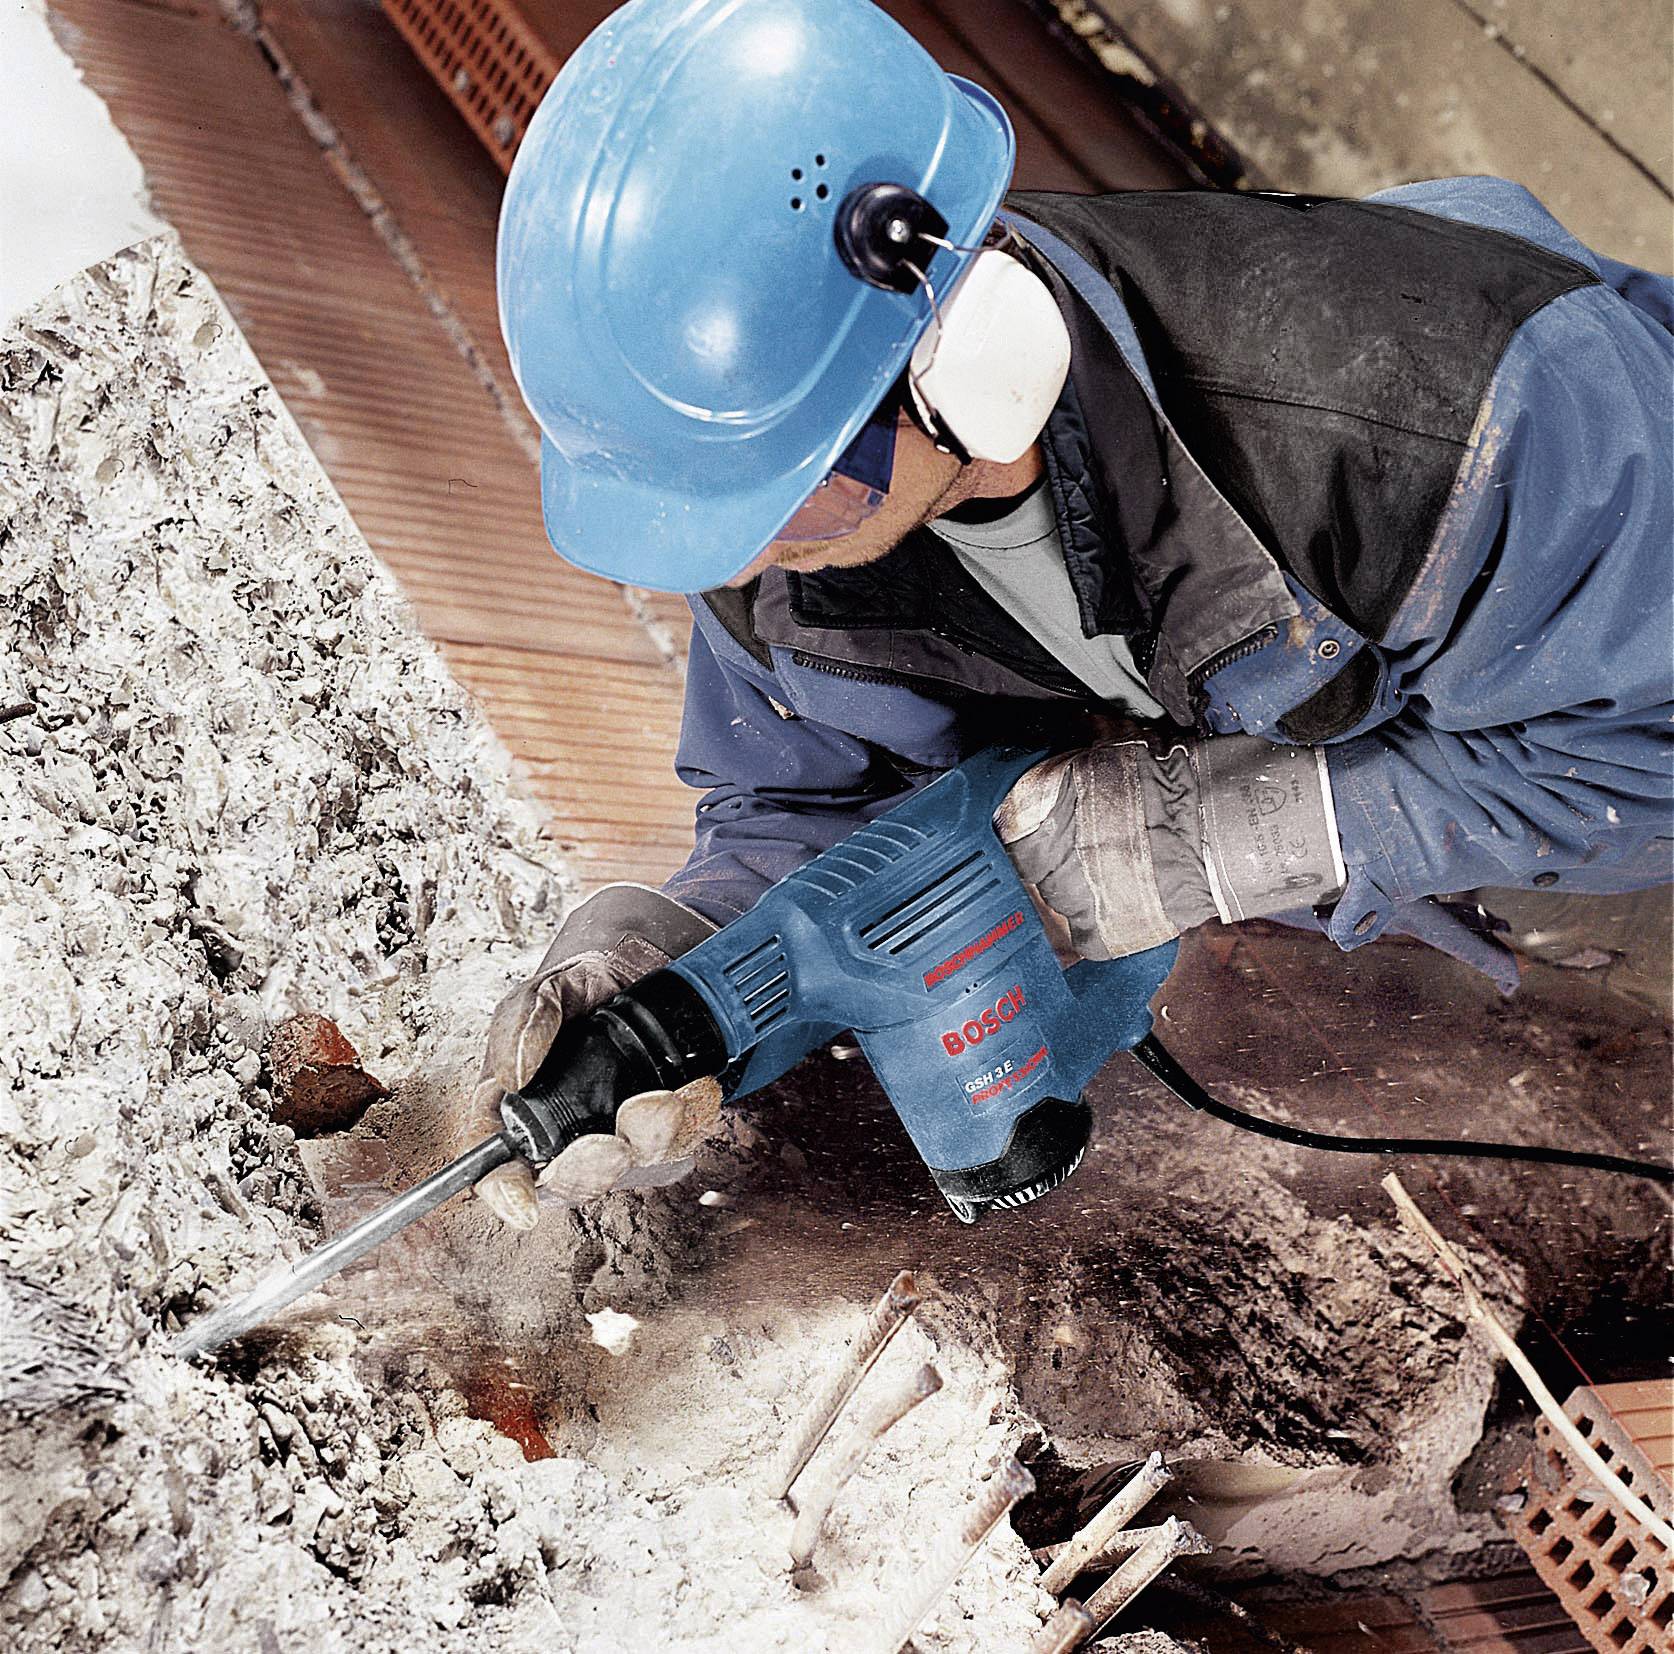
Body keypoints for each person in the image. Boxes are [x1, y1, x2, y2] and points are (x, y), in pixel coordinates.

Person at [457, 0, 1673, 1228]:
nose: (738, 544)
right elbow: (812, 808)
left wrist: (1223, 833)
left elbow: (1653, 753)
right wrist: (683, 966)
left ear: (960, 357)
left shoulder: (1436, 423)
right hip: (1423, 881)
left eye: (774, 485)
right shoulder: (768, 521)